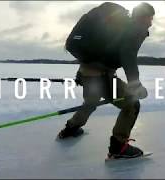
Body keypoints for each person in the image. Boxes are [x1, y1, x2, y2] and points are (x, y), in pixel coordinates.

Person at [58, 2, 155, 159]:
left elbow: (101, 53)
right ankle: (119, 146)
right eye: (150, 18)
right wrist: (135, 84)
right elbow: (127, 56)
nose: (151, 23)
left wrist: (83, 74)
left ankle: (70, 129)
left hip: (87, 72)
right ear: (142, 17)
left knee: (91, 102)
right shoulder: (135, 29)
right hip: (101, 76)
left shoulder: (119, 25)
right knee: (131, 104)